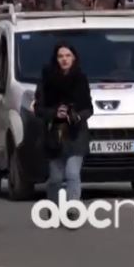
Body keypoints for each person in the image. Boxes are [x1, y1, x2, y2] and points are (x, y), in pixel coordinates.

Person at [34, 44, 93, 207]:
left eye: (68, 55)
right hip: (55, 135)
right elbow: (38, 108)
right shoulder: (47, 79)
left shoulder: (81, 79)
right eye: (61, 56)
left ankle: (73, 209)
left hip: (76, 133)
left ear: (74, 58)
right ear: (56, 59)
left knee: (72, 174)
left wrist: (77, 115)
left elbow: (89, 108)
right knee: (56, 178)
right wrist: (54, 113)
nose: (64, 59)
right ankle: (53, 208)